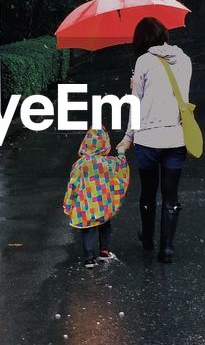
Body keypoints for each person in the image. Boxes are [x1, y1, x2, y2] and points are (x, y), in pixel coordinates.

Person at [116, 17, 192, 263]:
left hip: (148, 140)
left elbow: (136, 105)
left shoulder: (143, 61)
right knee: (171, 196)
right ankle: (167, 249)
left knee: (148, 193)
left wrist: (128, 138)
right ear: (164, 35)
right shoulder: (185, 60)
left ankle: (148, 237)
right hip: (176, 138)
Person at [63, 127, 130, 268]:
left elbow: (73, 185)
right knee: (105, 225)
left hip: (85, 205)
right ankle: (104, 252)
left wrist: (68, 203)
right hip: (103, 204)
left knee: (87, 229)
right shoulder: (109, 163)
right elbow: (122, 168)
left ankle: (88, 259)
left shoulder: (79, 165)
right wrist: (122, 152)